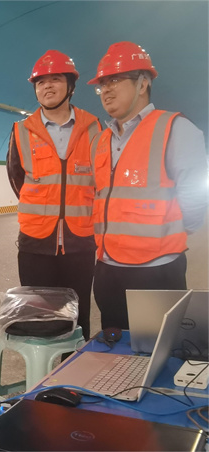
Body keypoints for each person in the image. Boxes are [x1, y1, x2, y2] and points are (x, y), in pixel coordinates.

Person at [87, 42, 208, 330]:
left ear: (143, 83)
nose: (106, 90)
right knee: (116, 349)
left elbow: (195, 197)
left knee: (157, 349)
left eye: (115, 80)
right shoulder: (100, 140)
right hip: (107, 269)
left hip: (157, 270)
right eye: (102, 84)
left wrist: (170, 235)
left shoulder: (176, 129)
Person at [6, 50, 102, 340]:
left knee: (78, 318)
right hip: (35, 244)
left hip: (80, 241)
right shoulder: (22, 130)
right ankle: (44, 370)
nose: (47, 86)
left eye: (55, 79)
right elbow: (17, 179)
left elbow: (101, 180)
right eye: (40, 82)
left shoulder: (93, 127)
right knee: (40, 320)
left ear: (70, 86)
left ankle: (74, 369)